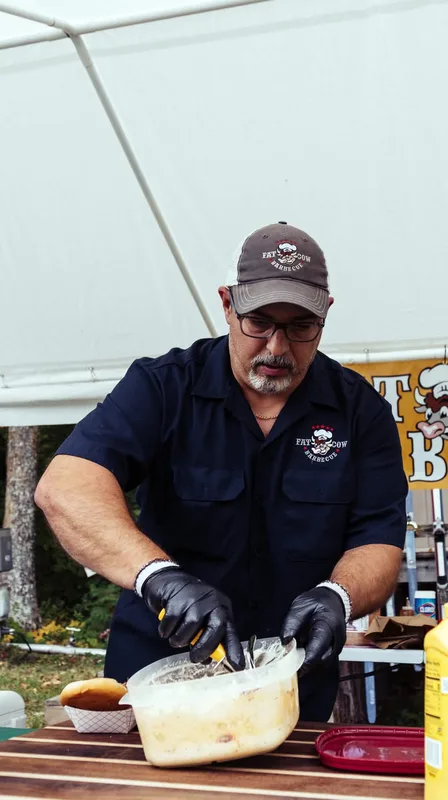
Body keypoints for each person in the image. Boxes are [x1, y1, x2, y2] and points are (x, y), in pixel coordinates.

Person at [34, 221, 408, 721]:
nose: (277, 347)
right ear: (227, 305)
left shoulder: (360, 411)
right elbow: (66, 487)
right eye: (259, 322)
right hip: (159, 674)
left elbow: (379, 541)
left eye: (301, 327)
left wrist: (338, 596)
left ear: (325, 315)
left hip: (290, 680)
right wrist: (160, 578)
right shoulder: (163, 387)